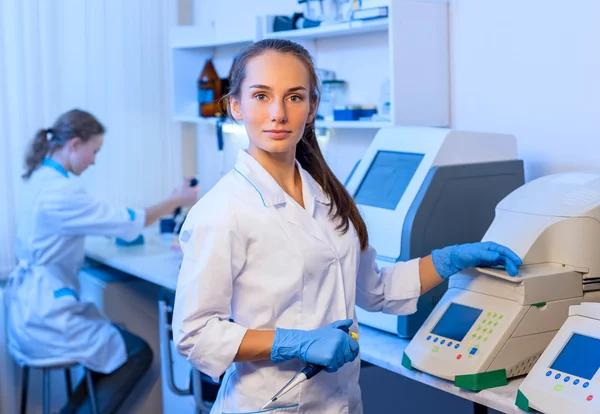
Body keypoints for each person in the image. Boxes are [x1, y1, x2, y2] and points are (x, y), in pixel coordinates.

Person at [172, 39, 522, 414]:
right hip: (268, 403)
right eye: (261, 96)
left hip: (341, 402)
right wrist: (295, 342)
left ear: (311, 108)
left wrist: (451, 259)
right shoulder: (222, 210)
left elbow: (375, 290)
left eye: (294, 97)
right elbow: (195, 334)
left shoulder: (327, 195)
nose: (278, 113)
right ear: (236, 106)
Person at [6, 109, 198, 414]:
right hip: (45, 317)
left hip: (34, 307)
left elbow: (100, 222)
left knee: (109, 349)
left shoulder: (40, 179)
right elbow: (125, 221)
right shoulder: (61, 191)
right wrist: (177, 200)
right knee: (135, 352)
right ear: (74, 145)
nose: (94, 160)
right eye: (94, 151)